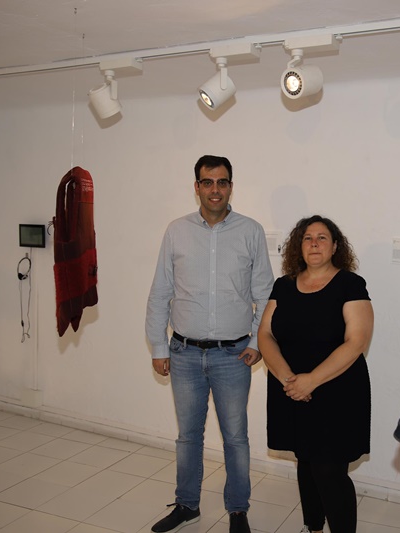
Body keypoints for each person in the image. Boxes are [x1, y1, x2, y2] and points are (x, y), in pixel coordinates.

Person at [146, 155, 274, 533]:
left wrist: (257, 341)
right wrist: (158, 347)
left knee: (236, 439)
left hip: (233, 356)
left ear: (231, 186)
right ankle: (187, 505)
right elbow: (160, 293)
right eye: (207, 182)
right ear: (197, 187)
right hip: (183, 353)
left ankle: (238, 510)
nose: (214, 189)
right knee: (188, 438)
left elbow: (266, 295)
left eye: (222, 182)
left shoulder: (250, 231)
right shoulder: (176, 231)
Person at [257, 215, 374, 533]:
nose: (314, 243)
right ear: (299, 246)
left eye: (322, 238)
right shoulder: (283, 285)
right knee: (306, 460)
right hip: (291, 387)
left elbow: (357, 341)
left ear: (335, 247)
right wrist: (288, 379)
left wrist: (311, 380)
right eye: (307, 238)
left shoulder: (351, 285)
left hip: (337, 390)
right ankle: (314, 526)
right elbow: (265, 334)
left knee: (329, 469)